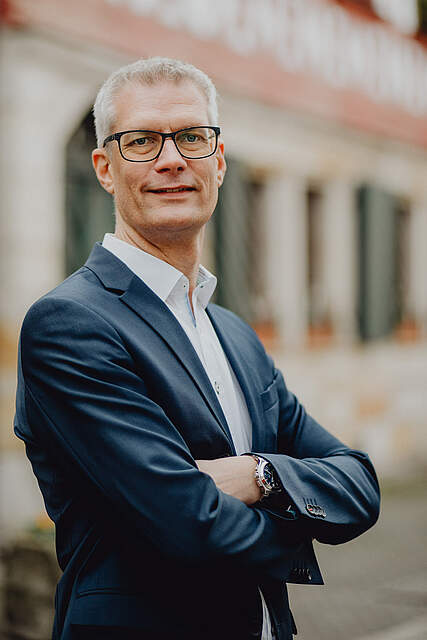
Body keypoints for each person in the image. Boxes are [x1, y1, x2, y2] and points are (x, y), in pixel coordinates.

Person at [15, 57, 380, 640]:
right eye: (141, 141)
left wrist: (260, 474)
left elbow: (360, 483)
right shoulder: (70, 324)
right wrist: (302, 509)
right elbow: (190, 526)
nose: (170, 159)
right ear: (105, 169)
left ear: (219, 160)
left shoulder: (234, 332)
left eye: (191, 136)